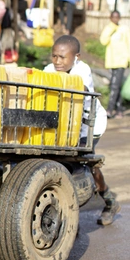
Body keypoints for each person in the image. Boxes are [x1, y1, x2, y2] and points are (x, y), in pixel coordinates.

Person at [44, 35, 120, 226]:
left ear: (75, 56)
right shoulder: (49, 70)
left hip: (88, 127)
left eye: (62, 57)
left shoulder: (82, 70)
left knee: (86, 165)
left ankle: (110, 202)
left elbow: (79, 89)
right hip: (63, 127)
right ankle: (65, 213)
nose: (57, 61)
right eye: (54, 56)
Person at [100, 10, 130, 119]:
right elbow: (103, 41)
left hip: (121, 61)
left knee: (114, 86)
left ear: (119, 18)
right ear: (110, 18)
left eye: (117, 17)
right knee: (115, 86)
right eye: (113, 17)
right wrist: (112, 29)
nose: (115, 19)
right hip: (111, 62)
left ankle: (109, 110)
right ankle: (119, 110)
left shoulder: (124, 29)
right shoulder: (108, 28)